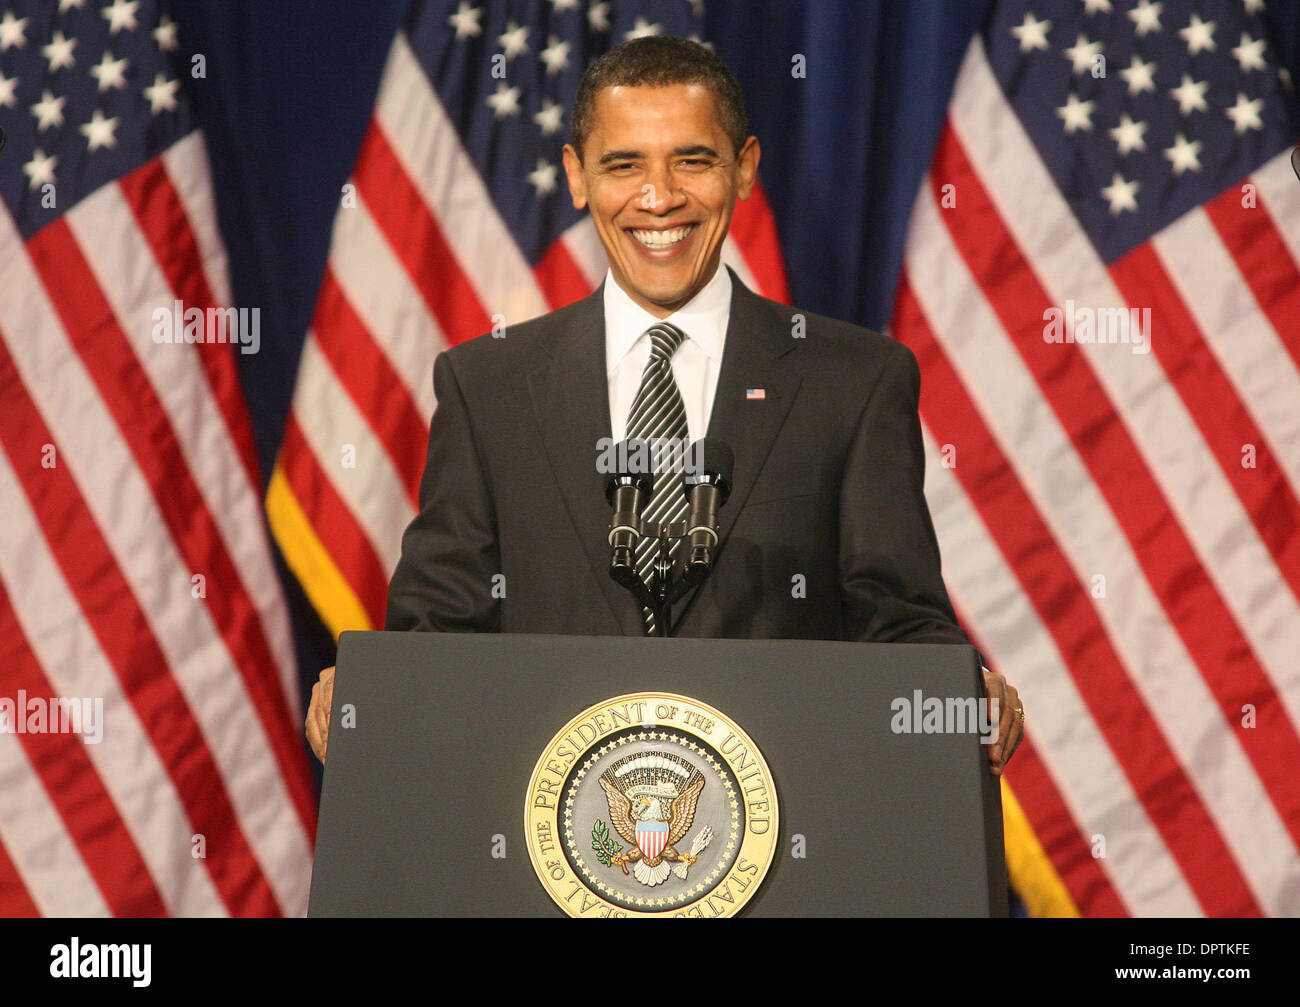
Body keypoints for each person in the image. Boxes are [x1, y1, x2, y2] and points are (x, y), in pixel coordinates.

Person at [306, 35, 1023, 772]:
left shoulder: (855, 382)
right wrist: (374, 690)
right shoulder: (487, 386)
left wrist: (956, 694)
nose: (659, 197)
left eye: (693, 160)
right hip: (543, 845)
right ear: (576, 176)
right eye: (623, 165)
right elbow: (438, 629)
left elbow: (899, 624)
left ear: (744, 169)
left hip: (784, 840)